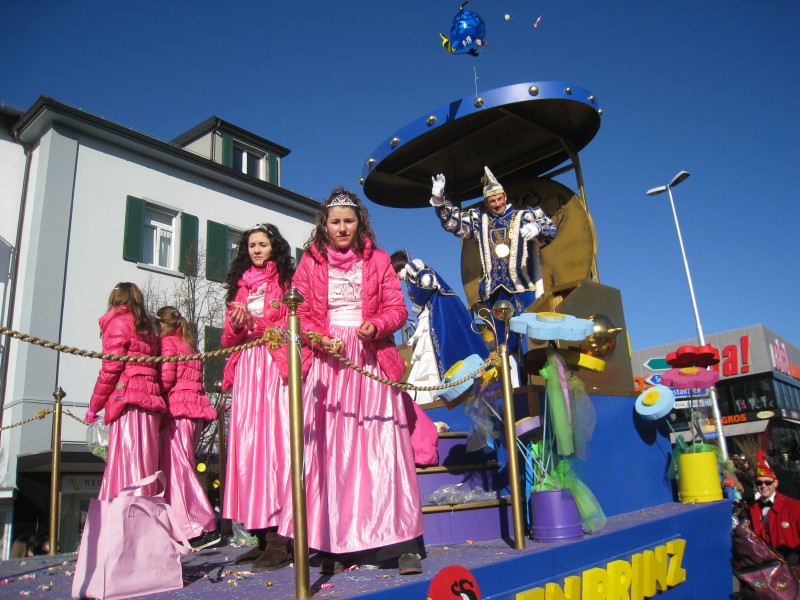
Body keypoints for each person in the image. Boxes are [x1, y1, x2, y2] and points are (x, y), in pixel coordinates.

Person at [292, 187, 424, 575]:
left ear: (359, 223)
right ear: (325, 225)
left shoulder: (380, 260)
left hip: (369, 358)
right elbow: (295, 310)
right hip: (328, 360)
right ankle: (333, 538)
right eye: (336, 221)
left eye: (349, 220)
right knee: (332, 449)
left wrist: (376, 324)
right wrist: (318, 335)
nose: (342, 227)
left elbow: (397, 309)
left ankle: (397, 539)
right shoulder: (309, 263)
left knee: (381, 444)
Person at [221, 223, 299, 571]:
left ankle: (284, 537)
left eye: (262, 244)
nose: (255, 250)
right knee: (250, 451)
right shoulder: (239, 288)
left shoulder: (285, 283)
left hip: (272, 367)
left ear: (274, 248)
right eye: (251, 245)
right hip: (247, 372)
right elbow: (227, 339)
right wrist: (237, 325)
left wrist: (254, 323)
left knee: (275, 447)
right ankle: (261, 535)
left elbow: (289, 325)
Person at [429, 167, 557, 351]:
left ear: (505, 197)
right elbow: (454, 222)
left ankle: (536, 376)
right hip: (495, 293)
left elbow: (550, 228)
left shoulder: (523, 216)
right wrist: (440, 200)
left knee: (534, 340)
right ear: (486, 203)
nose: (497, 204)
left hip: (522, 289)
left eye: (499, 199)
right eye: (492, 201)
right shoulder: (479, 221)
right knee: (504, 345)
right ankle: (513, 378)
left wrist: (538, 227)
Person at [87, 282, 165, 499]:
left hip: (127, 399)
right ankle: (143, 515)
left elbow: (111, 369)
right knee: (146, 462)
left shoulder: (118, 324)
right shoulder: (147, 328)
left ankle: (123, 516)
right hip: (150, 401)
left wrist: (94, 406)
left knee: (126, 462)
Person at [156, 305, 221, 550]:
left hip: (178, 410)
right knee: (185, 465)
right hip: (194, 410)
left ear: (162, 324)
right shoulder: (190, 346)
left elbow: (167, 379)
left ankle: (201, 524)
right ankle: (185, 524)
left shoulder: (168, 345)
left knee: (179, 467)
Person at [390, 250, 489, 405]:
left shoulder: (412, 266)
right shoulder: (409, 279)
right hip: (435, 312)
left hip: (441, 310)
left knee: (440, 347)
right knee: (434, 348)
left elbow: (428, 281)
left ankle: (445, 391)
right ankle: (435, 395)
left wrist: (418, 304)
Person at [747, 450, 800, 563]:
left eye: (768, 482)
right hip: (765, 567)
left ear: (775, 483)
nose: (763, 486)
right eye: (759, 483)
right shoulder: (751, 509)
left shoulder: (794, 506)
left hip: (791, 565)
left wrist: (796, 554)